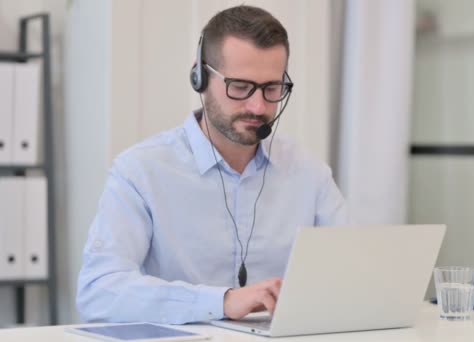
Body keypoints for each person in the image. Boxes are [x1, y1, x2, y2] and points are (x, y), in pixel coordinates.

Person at [76, 5, 346, 325]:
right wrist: (223, 301)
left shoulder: (308, 173)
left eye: (272, 89)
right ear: (200, 77)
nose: (258, 106)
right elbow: (98, 291)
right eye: (241, 87)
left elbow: (353, 271)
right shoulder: (141, 170)